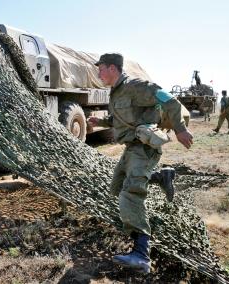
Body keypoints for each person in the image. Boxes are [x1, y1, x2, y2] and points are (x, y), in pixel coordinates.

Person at [88, 53, 193, 274]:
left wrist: (180, 129)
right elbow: (123, 118)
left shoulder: (136, 86)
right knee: (116, 188)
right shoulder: (116, 92)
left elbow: (168, 99)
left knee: (130, 194)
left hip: (144, 148)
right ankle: (161, 177)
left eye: (101, 68)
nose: (98, 72)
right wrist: (102, 121)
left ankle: (141, 254)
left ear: (113, 68)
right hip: (131, 148)